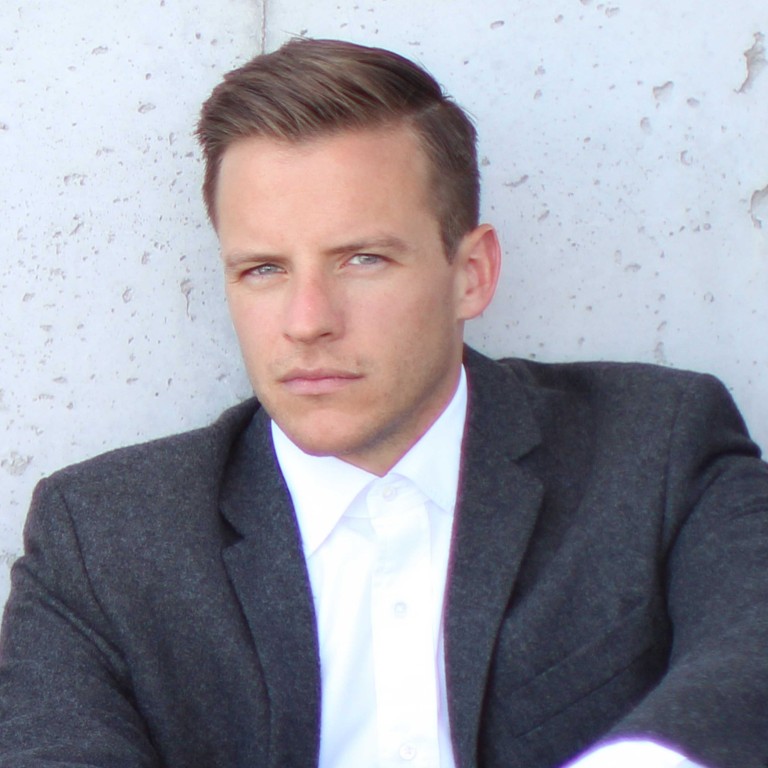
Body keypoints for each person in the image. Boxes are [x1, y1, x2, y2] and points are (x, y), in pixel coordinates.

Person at [1, 37, 767, 768]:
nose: (307, 321)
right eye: (263, 269)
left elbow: (751, 655)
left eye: (362, 259)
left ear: (471, 273)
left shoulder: (660, 449)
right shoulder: (100, 538)